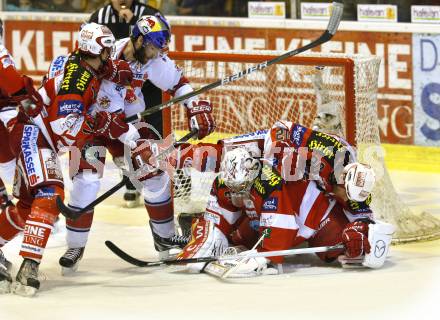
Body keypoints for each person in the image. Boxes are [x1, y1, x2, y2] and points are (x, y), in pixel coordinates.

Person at [58, 14, 216, 273]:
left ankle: (165, 240)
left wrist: (195, 106)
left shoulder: (151, 59)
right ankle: (75, 246)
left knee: (154, 174)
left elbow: (179, 83)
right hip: (93, 128)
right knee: (86, 183)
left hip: (128, 127)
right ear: (139, 39)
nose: (156, 53)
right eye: (153, 45)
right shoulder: (104, 53)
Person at [0, 22, 120, 296]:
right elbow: (61, 125)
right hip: (35, 133)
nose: (110, 55)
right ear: (96, 49)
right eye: (107, 49)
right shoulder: (78, 76)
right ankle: (29, 266)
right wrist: (98, 124)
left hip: (33, 133)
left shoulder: (87, 69)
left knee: (26, 207)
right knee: (50, 193)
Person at [177, 147, 394, 277]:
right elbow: (220, 217)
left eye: (242, 187)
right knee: (237, 239)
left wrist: (265, 256)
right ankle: (194, 223)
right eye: (234, 188)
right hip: (261, 216)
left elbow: (282, 226)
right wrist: (206, 238)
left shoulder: (268, 181)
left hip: (314, 218)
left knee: (341, 249)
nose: (236, 192)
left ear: (253, 174)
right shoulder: (228, 179)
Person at [89, 0, 162, 208]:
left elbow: (161, 40)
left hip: (146, 82)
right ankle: (131, 181)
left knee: (150, 129)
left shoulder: (148, 13)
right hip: (115, 78)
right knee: (117, 124)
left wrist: (134, 25)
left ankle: (153, 173)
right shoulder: (99, 16)